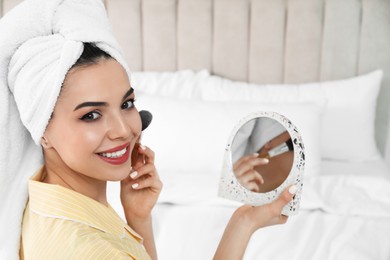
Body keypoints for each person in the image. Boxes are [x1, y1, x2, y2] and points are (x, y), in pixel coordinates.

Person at [0, 1, 297, 259]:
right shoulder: (89, 248)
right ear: (41, 129)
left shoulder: (50, 201)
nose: (123, 130)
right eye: (91, 115)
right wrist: (243, 224)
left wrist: (139, 219)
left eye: (127, 103)